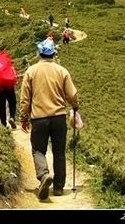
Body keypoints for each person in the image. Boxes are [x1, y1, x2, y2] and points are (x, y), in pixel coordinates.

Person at [19, 38, 80, 200]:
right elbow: (72, 95)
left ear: (39, 53)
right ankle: (59, 187)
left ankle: (43, 174)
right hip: (59, 117)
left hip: (39, 118)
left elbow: (25, 98)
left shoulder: (31, 72)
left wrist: (23, 117)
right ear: (53, 53)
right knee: (59, 152)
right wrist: (75, 107)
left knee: (38, 149)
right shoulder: (62, 71)